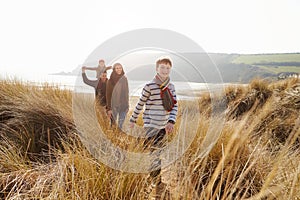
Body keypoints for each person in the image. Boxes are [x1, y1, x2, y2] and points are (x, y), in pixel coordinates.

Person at [129, 57, 178, 198]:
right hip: (150, 125)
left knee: (158, 153)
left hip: (163, 126)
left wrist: (171, 121)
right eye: (162, 67)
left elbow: (174, 106)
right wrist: (132, 119)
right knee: (154, 153)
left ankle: (153, 178)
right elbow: (140, 104)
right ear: (157, 69)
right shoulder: (149, 86)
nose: (165, 70)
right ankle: (156, 181)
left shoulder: (171, 87)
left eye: (168, 68)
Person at [106, 63, 129, 129]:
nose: (119, 69)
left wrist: (127, 105)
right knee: (113, 124)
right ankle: (111, 137)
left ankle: (117, 138)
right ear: (114, 69)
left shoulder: (124, 79)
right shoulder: (110, 81)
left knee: (120, 125)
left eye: (120, 68)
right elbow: (108, 95)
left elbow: (126, 93)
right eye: (117, 68)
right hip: (114, 106)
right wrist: (109, 108)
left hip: (123, 105)